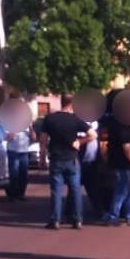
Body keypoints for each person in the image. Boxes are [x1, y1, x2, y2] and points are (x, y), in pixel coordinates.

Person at [40, 94, 96, 230]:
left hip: (56, 158)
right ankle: (77, 220)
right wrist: (80, 142)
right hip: (72, 159)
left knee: (56, 191)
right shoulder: (75, 120)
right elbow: (93, 135)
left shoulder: (50, 119)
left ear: (62, 102)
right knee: (75, 190)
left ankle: (56, 220)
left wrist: (42, 157)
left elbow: (43, 140)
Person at [102, 118, 130, 226]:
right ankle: (113, 216)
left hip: (118, 162)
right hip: (122, 163)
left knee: (127, 190)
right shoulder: (123, 126)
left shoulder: (115, 123)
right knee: (122, 191)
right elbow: (127, 147)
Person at [80, 120, 105, 220]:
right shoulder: (79, 122)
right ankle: (72, 213)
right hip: (80, 160)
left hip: (93, 161)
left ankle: (99, 211)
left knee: (93, 188)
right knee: (75, 188)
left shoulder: (98, 123)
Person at [6, 124, 35, 201]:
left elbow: (34, 138)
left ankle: (21, 194)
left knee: (23, 174)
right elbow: (9, 138)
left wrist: (31, 128)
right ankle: (13, 195)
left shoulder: (27, 126)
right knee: (14, 174)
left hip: (24, 152)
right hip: (13, 152)